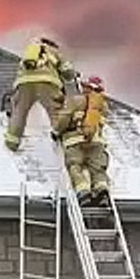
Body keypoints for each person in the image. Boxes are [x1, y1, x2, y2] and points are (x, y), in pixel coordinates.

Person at [4, 37, 75, 151]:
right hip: (47, 82)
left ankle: (11, 143)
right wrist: (71, 75)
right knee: (56, 112)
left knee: (19, 112)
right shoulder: (54, 51)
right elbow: (68, 73)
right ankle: (63, 141)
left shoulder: (28, 53)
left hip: (24, 83)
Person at [53, 75, 111, 206]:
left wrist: (56, 132)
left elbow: (64, 119)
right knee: (98, 169)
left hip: (75, 141)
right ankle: (102, 192)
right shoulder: (103, 106)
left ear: (86, 87)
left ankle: (83, 192)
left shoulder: (76, 101)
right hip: (96, 142)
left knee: (75, 166)